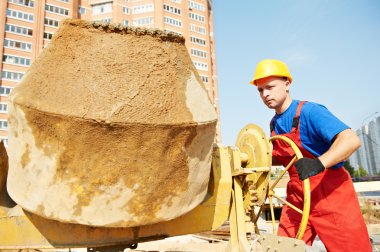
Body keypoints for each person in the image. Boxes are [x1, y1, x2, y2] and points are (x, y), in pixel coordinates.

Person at [249, 59, 372, 251]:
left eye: (270, 87)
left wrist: (318, 163)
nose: (265, 94)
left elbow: (350, 140)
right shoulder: (274, 124)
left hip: (330, 196)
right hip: (297, 197)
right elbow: (283, 157)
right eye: (260, 90)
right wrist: (251, 157)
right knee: (283, 247)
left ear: (287, 84)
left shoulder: (310, 112)